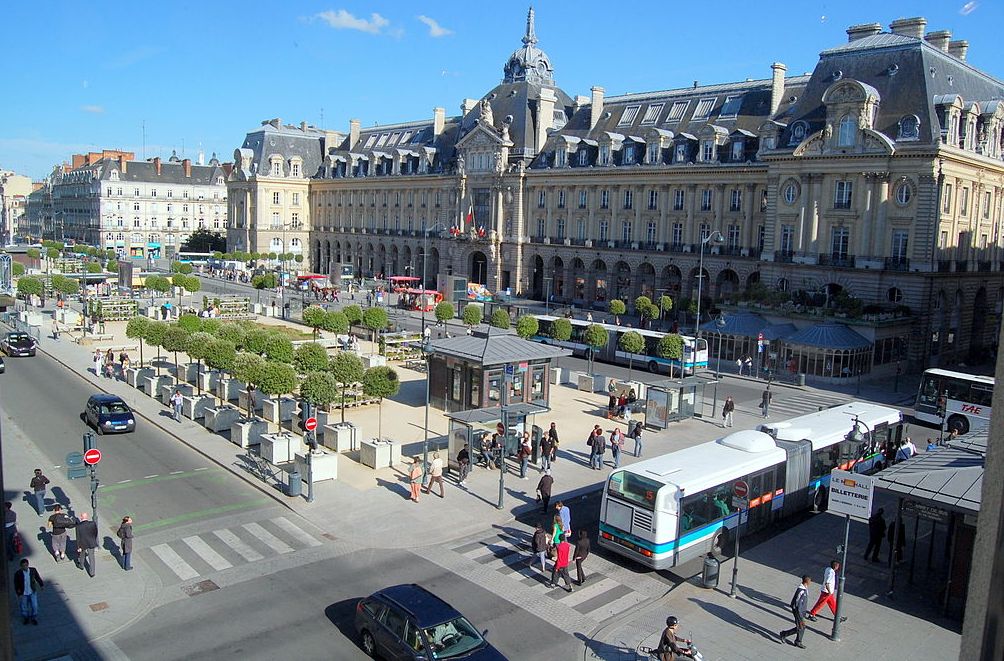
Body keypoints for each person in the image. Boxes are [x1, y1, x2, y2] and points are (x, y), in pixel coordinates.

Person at [779, 574, 812, 649]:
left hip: (801, 612)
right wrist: (800, 616)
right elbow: (797, 604)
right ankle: (785, 634)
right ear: (807, 581)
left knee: (801, 627)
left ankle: (797, 640)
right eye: (810, 581)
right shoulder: (801, 591)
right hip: (798, 612)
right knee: (801, 627)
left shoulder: (804, 588)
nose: (811, 582)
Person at [14, 558, 44, 625]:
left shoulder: (33, 570)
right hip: (23, 593)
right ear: (21, 566)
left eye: (26, 565)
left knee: (34, 606)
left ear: (28, 565)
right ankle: (26, 618)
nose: (24, 567)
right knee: (24, 607)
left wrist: (41, 585)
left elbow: (37, 577)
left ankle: (34, 618)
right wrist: (18, 592)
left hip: (32, 592)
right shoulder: (18, 573)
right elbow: (16, 583)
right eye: (23, 566)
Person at [74, 511, 99, 577]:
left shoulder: (78, 526)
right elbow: (95, 533)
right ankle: (92, 573)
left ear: (81, 517)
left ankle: (81, 565)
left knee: (82, 555)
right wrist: (94, 540)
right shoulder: (92, 523)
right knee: (92, 558)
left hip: (83, 543)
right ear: (87, 517)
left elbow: (78, 537)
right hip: (91, 542)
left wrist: (78, 546)